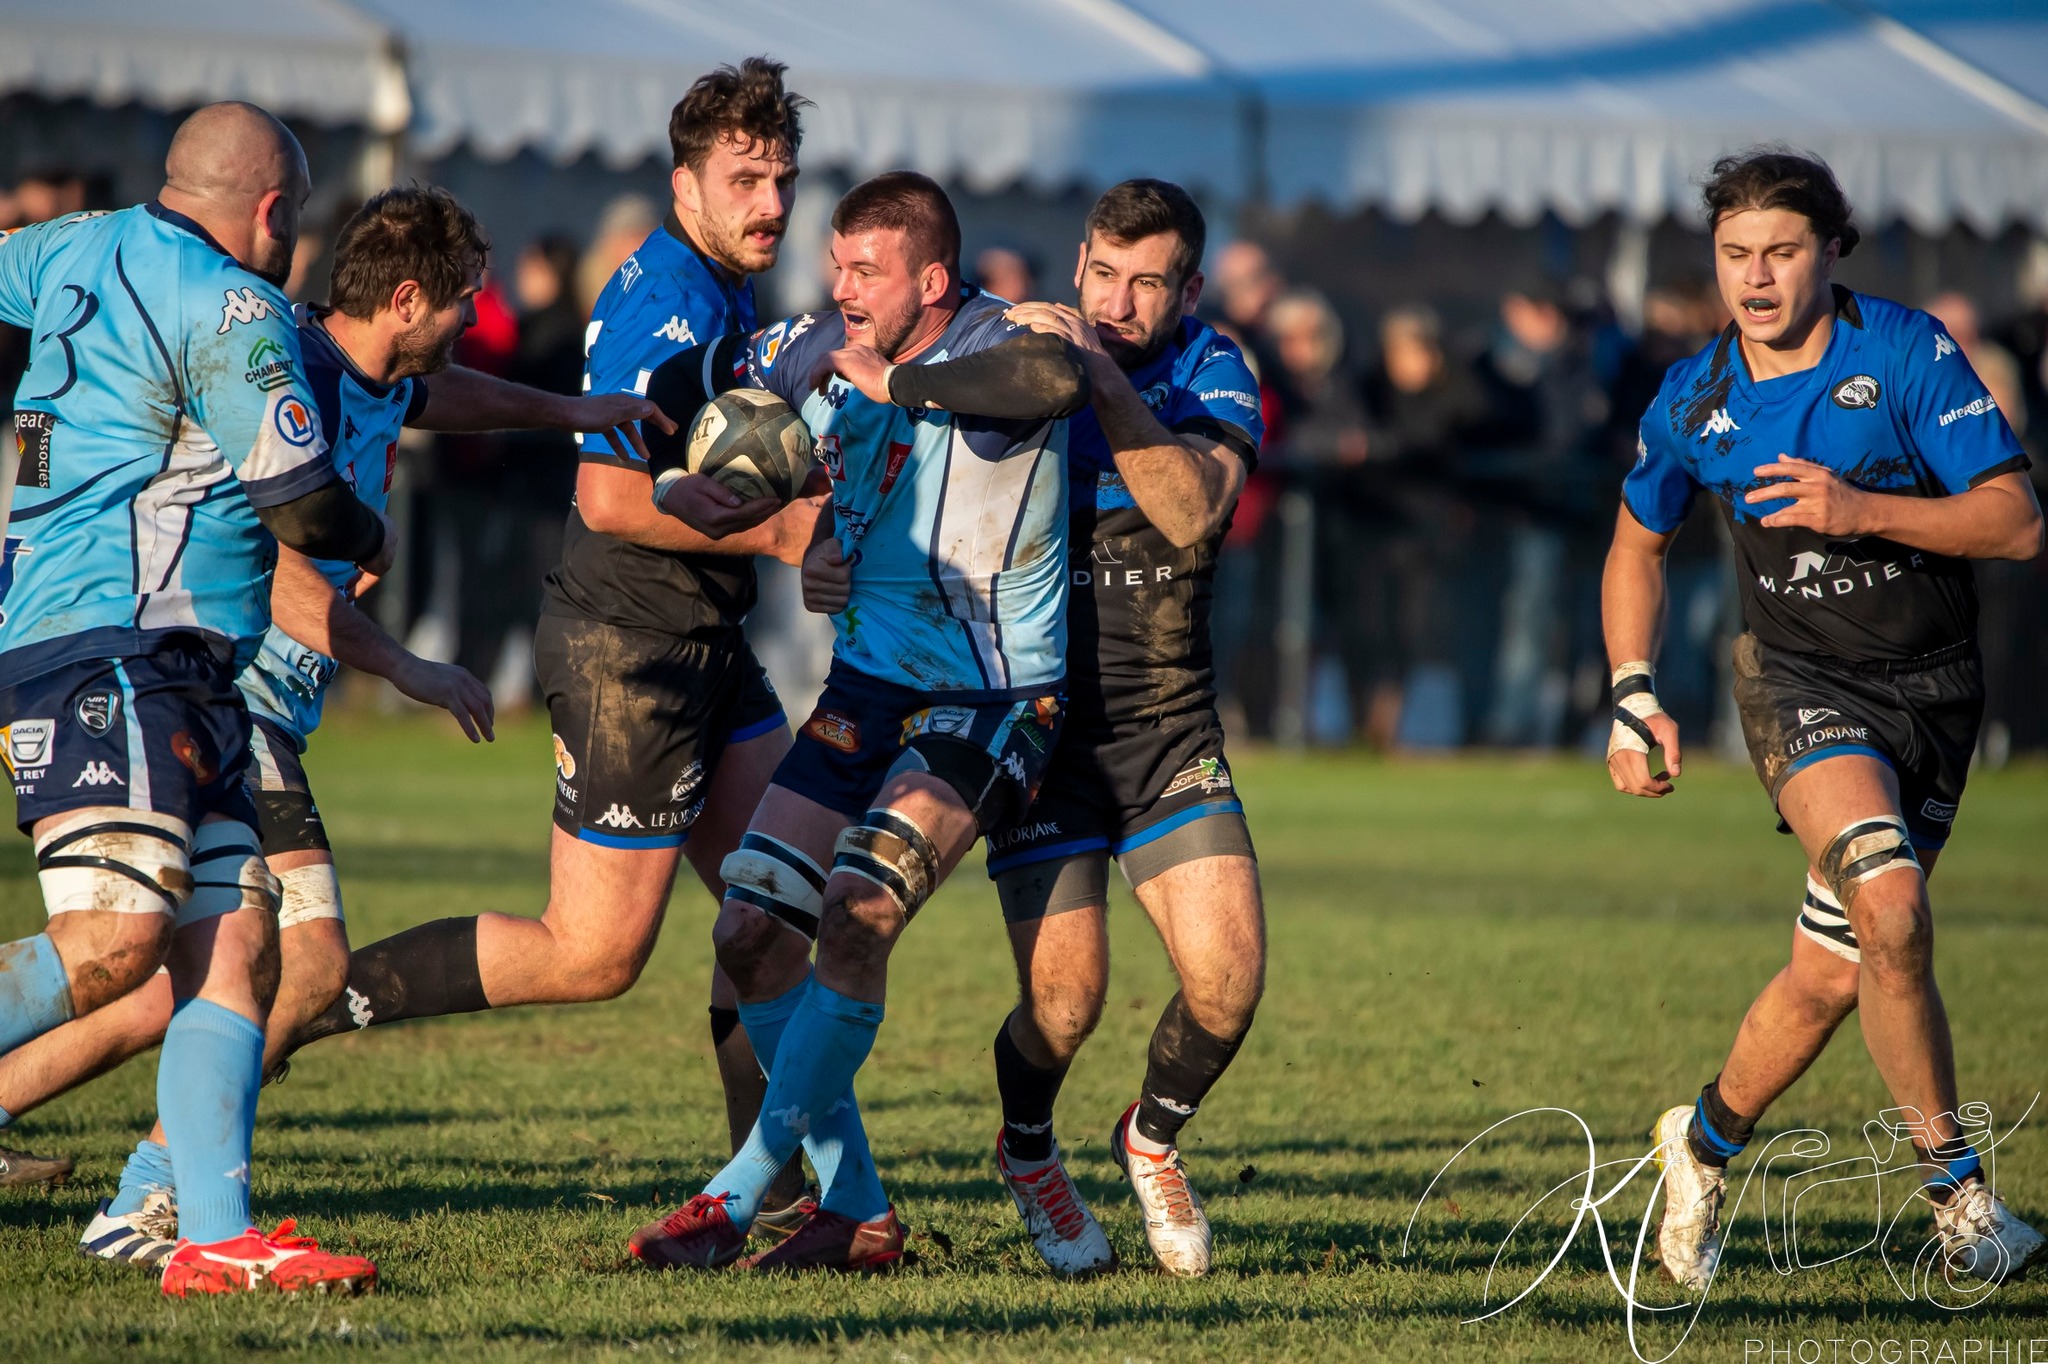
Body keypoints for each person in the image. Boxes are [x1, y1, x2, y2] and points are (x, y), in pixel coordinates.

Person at [0, 185, 668, 1264]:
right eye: (460, 306)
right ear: (409, 299)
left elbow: (442, 400)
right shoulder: (283, 373)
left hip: (240, 706)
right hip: (232, 699)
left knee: (178, 977)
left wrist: (572, 412)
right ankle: (153, 1200)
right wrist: (407, 663)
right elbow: (282, 581)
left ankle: (134, 1186)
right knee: (282, 968)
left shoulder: (370, 370)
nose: (467, 325)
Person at [273, 59, 822, 1235]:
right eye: (745, 177)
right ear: (686, 183)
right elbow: (616, 500)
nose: (770, 200)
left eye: (781, 176)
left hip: (707, 639)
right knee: (590, 953)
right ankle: (323, 999)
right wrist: (786, 533)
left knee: (771, 907)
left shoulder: (724, 290)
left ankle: (775, 1188)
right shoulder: (662, 296)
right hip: (630, 649)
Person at [626, 170, 1090, 1274]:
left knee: (855, 906)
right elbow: (679, 385)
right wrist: (750, 500)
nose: (840, 288)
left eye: (865, 271)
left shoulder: (998, 341)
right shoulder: (816, 340)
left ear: (930, 279)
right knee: (744, 929)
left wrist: (902, 382)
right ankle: (860, 1210)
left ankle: (735, 1195)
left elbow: (1054, 378)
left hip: (988, 700)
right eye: (836, 265)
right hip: (865, 691)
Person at [1606, 149, 2046, 1290]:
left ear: (1829, 250)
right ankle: (1959, 1199)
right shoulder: (1692, 397)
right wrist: (1630, 689)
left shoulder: (1900, 352)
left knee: (1830, 971)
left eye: (1780, 252)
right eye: (1733, 254)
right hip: (1799, 687)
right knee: (1889, 909)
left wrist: (1858, 508)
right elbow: (1632, 543)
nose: (1753, 278)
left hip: (1936, 691)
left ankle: (1698, 1144)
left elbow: (2013, 521)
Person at [0, 102, 394, 1294]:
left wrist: (31, 465)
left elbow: (28, 378)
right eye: (298, 217)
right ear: (274, 211)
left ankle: (215, 1235)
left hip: (177, 658)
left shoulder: (63, 246)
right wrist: (369, 534)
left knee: (236, 943)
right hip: (114, 647)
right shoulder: (234, 305)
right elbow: (306, 505)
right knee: (117, 941)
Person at [982, 179, 1265, 1277]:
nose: (1117, 298)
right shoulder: (1015, 357)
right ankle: (1026, 1150)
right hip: (1042, 731)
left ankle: (1148, 1137)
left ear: (1187, 288)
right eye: (1102, 272)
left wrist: (1097, 380)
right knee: (1064, 1000)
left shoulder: (1212, 370)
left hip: (1163, 723)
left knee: (1227, 979)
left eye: (1147, 281)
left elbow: (1193, 510)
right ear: (1078, 263)